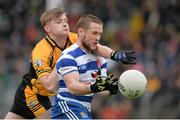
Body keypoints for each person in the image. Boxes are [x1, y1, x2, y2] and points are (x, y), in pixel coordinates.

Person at [5, 7, 136, 119]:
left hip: (53, 95)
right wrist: (63, 62)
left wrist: (115, 55)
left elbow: (97, 47)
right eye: (59, 22)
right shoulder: (41, 51)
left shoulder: (73, 38)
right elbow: (49, 86)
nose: (65, 24)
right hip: (33, 93)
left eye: (66, 21)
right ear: (47, 28)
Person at [51, 14, 128, 119]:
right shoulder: (69, 56)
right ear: (81, 32)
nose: (97, 38)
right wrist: (92, 87)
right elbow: (72, 87)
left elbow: (101, 90)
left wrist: (111, 89)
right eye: (94, 33)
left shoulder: (101, 59)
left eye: (99, 34)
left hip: (84, 109)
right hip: (67, 107)